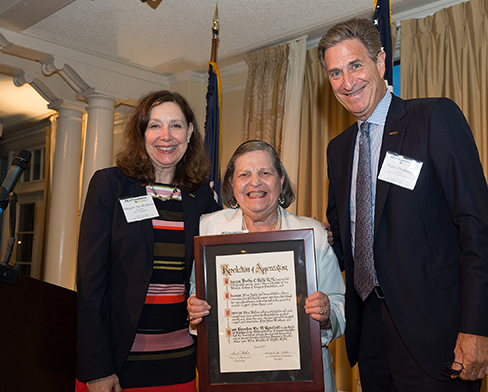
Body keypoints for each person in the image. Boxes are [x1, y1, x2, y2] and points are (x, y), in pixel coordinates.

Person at [318, 18, 488, 391]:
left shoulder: (433, 117)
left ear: (381, 61)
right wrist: (303, 245)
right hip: (369, 334)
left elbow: (476, 225)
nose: (346, 82)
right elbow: (347, 240)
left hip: (439, 333)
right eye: (335, 72)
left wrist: (476, 327)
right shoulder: (338, 150)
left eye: (355, 65)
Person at [75, 90, 221, 392]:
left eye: (176, 125)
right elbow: (90, 283)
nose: (165, 136)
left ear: (190, 132)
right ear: (141, 132)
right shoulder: (110, 185)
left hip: (179, 362)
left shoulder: (201, 196)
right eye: (155, 125)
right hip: (116, 363)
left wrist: (302, 232)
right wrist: (97, 368)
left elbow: (231, 246)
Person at [187, 140, 345, 392]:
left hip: (304, 378)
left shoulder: (311, 234)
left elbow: (338, 302)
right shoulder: (209, 228)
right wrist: (194, 308)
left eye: (265, 173)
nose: (255, 182)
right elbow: (196, 291)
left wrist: (326, 315)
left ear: (281, 179)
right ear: (231, 183)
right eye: (244, 174)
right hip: (231, 379)